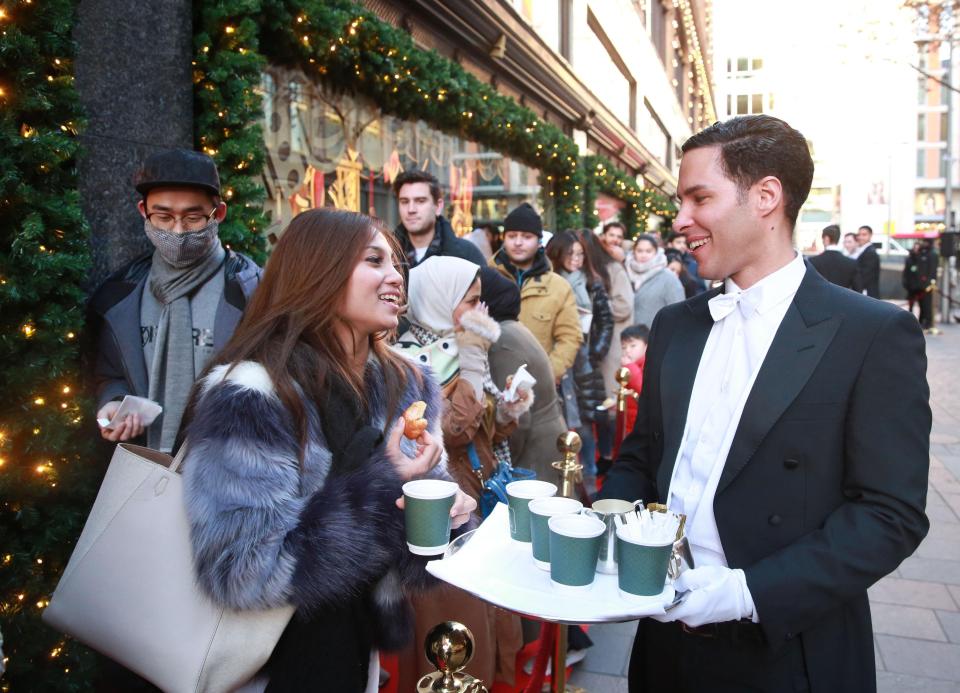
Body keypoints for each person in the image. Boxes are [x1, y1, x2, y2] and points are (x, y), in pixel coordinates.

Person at [600, 114, 930, 692]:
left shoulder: (871, 333)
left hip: (787, 652)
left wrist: (746, 592)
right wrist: (606, 529)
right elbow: (641, 456)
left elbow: (889, 514)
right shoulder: (676, 325)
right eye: (681, 201)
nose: (680, 221)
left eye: (699, 197)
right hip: (662, 646)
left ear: (766, 197)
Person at [181, 209, 476, 692]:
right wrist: (385, 484)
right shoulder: (251, 392)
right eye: (374, 260)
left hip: (360, 649)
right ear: (319, 270)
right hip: (270, 663)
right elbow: (238, 569)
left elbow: (416, 562)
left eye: (395, 263)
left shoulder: (407, 382)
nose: (395, 276)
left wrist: (445, 512)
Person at [394, 256, 528, 690]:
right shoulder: (409, 361)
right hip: (444, 514)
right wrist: (472, 360)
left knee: (487, 612)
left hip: (477, 497)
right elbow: (451, 430)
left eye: (479, 300)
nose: (479, 312)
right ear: (439, 300)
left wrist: (507, 410)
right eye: (469, 301)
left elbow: (479, 431)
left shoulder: (457, 344)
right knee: (455, 627)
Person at [88, 148, 261, 453]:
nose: (177, 231)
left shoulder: (253, 292)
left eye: (193, 218)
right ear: (144, 211)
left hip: (229, 471)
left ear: (218, 214)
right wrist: (114, 402)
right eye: (163, 216)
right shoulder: (119, 297)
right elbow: (110, 375)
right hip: (143, 470)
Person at [481, 266, 567, 482]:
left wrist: (503, 468)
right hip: (545, 439)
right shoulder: (511, 328)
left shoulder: (502, 341)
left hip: (535, 453)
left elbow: (517, 416)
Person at [546, 231, 614, 481]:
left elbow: (606, 320)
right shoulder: (550, 283)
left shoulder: (591, 282)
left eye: (580, 253)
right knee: (559, 420)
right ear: (557, 254)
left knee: (586, 422)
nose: (576, 259)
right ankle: (562, 478)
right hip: (558, 359)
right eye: (570, 253)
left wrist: (596, 352)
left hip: (584, 362)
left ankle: (588, 479)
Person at [490, 203, 582, 384]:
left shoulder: (558, 287)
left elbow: (570, 337)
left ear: (539, 241)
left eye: (526, 236)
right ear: (504, 238)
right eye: (512, 236)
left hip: (537, 387)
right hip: (490, 385)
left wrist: (547, 374)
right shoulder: (483, 278)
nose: (518, 242)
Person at [585, 225, 634, 476]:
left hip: (612, 346)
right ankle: (604, 454)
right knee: (599, 406)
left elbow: (624, 305)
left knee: (612, 405)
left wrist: (596, 307)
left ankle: (614, 456)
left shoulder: (613, 270)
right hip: (594, 346)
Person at [392, 170, 485, 268]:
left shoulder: (467, 254)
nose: (411, 209)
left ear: (438, 206)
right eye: (404, 202)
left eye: (420, 201)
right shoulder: (385, 253)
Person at [625, 233, 685, 329]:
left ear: (656, 252)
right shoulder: (625, 273)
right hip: (627, 338)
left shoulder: (668, 278)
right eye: (639, 251)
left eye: (648, 251)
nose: (643, 255)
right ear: (633, 252)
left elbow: (679, 312)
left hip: (655, 336)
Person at [616, 323, 649, 448]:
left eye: (633, 345)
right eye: (624, 347)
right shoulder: (630, 366)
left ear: (646, 346)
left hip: (638, 425)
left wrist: (630, 367)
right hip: (627, 419)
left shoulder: (648, 364)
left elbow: (643, 388)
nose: (627, 350)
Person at [810, 224, 860, 290]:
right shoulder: (852, 263)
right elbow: (858, 289)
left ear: (826, 238)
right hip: (843, 299)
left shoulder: (813, 261)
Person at [903, 238, 938, 330]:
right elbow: (907, 272)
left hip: (923, 287)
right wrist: (907, 284)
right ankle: (911, 322)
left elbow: (930, 271)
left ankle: (925, 322)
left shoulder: (929, 255)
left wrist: (927, 283)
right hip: (912, 287)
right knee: (911, 305)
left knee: (925, 305)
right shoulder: (910, 258)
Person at [854, 224, 881, 298]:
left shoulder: (870, 252)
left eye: (864, 235)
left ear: (870, 235)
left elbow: (865, 276)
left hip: (867, 293)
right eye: (859, 235)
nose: (860, 237)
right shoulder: (863, 250)